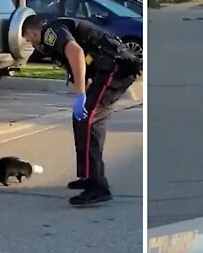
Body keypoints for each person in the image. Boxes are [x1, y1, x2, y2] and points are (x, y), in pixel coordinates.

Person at [21, 15, 141, 206]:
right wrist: (82, 88)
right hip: (108, 66)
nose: (31, 43)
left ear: (33, 32)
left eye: (29, 39)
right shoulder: (56, 32)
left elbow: (76, 52)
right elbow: (80, 61)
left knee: (90, 120)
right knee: (81, 119)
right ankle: (87, 175)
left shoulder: (51, 32)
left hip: (116, 67)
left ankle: (98, 187)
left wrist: (80, 94)